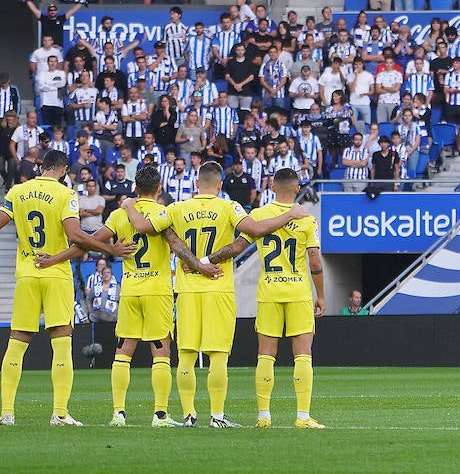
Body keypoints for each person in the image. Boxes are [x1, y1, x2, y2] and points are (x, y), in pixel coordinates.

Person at [164, 161, 307, 427]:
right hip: (219, 287)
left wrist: (193, 261)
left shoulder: (176, 208)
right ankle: (217, 416)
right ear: (220, 185)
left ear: (196, 183)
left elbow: (159, 229)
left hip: (186, 288)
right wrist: (290, 215)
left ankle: (188, 415)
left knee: (186, 353)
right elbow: (253, 231)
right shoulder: (229, 206)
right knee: (218, 354)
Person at [1, 150, 134, 426]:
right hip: (56, 274)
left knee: (16, 343)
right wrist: (111, 249)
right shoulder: (66, 195)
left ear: (41, 167)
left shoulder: (17, 191)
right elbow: (75, 236)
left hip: (27, 273)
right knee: (61, 343)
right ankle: (59, 413)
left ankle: (7, 412)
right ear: (63, 170)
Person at [84, 167, 218, 426]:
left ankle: (118, 413)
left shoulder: (119, 213)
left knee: (123, 351)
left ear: (135, 188)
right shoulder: (164, 213)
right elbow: (177, 244)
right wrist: (199, 265)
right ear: (159, 189)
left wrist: (112, 248)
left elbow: (91, 240)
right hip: (157, 290)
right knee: (161, 351)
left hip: (131, 288)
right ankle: (160, 414)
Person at [236, 169, 326, 428]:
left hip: (269, 292)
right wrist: (321, 296)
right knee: (303, 354)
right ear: (297, 188)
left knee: (265, 354)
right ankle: (302, 416)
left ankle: (264, 416)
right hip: (298, 292)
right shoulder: (306, 220)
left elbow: (240, 245)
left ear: (272, 187)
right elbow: (315, 261)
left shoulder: (259, 215)